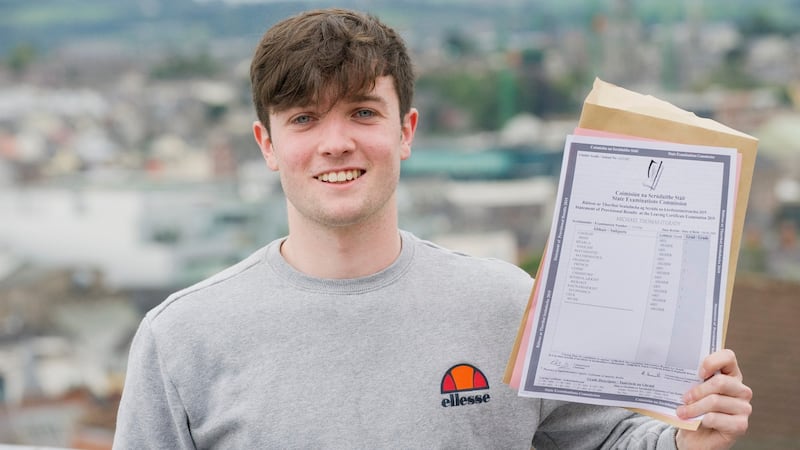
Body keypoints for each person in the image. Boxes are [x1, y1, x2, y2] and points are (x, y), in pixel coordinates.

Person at [113, 8, 752, 449]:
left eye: (363, 112)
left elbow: (610, 440)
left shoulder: (507, 304)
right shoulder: (182, 339)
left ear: (406, 131)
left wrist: (689, 440)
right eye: (304, 118)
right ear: (266, 144)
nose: (336, 142)